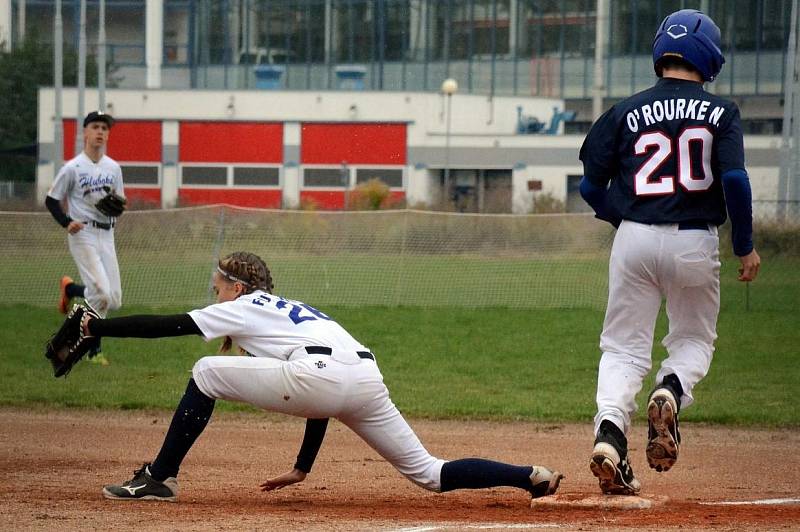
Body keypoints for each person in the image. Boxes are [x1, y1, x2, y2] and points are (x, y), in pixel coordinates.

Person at [81, 251, 563, 502]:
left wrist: (97, 327)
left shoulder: (245, 304)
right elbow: (324, 388)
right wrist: (303, 466)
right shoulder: (298, 310)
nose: (216, 290)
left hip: (324, 376)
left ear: (240, 286)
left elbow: (169, 327)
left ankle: (160, 478)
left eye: (220, 283)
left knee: (206, 370)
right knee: (430, 473)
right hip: (365, 378)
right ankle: (530, 477)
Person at [578, 9, 761, 495]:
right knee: (693, 341)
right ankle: (672, 391)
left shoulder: (624, 111)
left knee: (622, 347)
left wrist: (628, 216)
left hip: (634, 237)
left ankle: (611, 434)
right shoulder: (722, 112)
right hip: (694, 239)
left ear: (661, 51)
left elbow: (590, 186)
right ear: (710, 57)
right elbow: (736, 180)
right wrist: (744, 244)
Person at [46, 111, 125, 366]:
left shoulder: (113, 167)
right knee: (99, 292)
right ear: (85, 132)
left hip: (107, 233)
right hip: (83, 233)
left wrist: (117, 207)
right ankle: (85, 348)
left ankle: (70, 289)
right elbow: (52, 199)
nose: (101, 131)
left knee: (113, 299)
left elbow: (119, 201)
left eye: (105, 127)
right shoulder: (72, 167)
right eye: (96, 126)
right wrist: (66, 222)